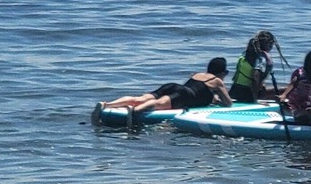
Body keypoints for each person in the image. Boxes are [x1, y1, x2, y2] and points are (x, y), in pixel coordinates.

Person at [99, 57, 233, 124]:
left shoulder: (198, 74)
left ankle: (107, 104)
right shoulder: (217, 81)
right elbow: (228, 103)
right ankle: (135, 111)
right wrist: (219, 99)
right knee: (158, 104)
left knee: (141, 99)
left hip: (174, 87)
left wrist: (212, 98)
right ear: (222, 72)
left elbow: (200, 90)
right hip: (184, 95)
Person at [229, 30, 284, 103]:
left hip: (234, 90)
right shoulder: (261, 58)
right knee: (285, 90)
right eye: (271, 44)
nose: (271, 47)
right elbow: (255, 78)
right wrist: (254, 100)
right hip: (247, 94)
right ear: (268, 44)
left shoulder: (246, 54)